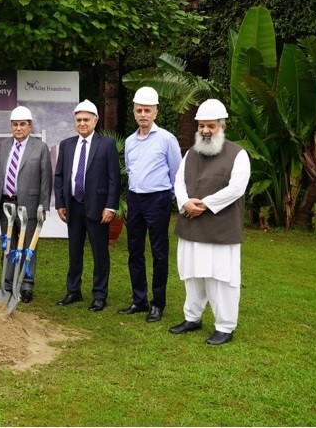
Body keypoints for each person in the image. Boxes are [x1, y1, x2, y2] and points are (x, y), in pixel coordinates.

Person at [169, 99, 250, 346]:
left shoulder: (239, 154)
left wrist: (203, 205)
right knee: (192, 276)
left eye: (211, 126)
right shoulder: (191, 153)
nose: (205, 130)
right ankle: (192, 318)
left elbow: (236, 188)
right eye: (202, 126)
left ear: (222, 127)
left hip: (220, 229)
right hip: (191, 225)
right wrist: (184, 203)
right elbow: (178, 182)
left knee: (221, 279)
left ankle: (225, 327)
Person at [119, 86, 182, 323]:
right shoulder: (129, 141)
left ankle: (157, 303)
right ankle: (139, 300)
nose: (143, 114)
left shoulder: (167, 139)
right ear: (134, 113)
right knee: (134, 251)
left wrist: (169, 198)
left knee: (159, 253)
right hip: (135, 199)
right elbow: (130, 169)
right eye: (139, 110)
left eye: (147, 110)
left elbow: (177, 172)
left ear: (156, 112)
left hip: (158, 200)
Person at [54, 100, 121, 311]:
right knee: (74, 253)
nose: (82, 123)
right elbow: (60, 176)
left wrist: (110, 207)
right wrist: (61, 203)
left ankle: (99, 295)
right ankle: (73, 291)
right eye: (78, 120)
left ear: (95, 120)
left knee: (100, 253)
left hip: (98, 209)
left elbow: (114, 179)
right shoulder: (67, 145)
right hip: (73, 207)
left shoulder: (107, 144)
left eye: (86, 119)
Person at [0, 106, 51, 303]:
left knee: (28, 246)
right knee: (8, 245)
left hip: (29, 205)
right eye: (15, 125)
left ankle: (26, 284)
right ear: (11, 126)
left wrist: (44, 205)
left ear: (30, 126)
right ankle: (7, 283)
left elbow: (46, 179)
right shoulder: (3, 146)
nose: (18, 128)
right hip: (6, 205)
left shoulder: (40, 147)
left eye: (22, 125)